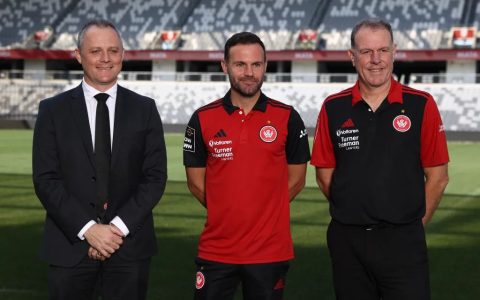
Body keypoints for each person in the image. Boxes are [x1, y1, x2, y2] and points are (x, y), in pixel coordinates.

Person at [311, 18, 449, 300]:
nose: (376, 60)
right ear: (352, 57)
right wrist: (356, 209)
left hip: (403, 241)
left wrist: (410, 226)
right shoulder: (333, 107)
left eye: (383, 50)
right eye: (366, 52)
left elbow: (438, 176)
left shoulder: (421, 104)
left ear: (394, 52)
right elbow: (324, 175)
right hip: (347, 241)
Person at [32, 19, 167, 300]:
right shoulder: (52, 111)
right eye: (95, 51)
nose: (106, 59)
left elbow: (154, 178)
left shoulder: (145, 109)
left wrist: (114, 230)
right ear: (79, 55)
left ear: (122, 54)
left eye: (113, 50)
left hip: (128, 247)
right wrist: (89, 230)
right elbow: (46, 180)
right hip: (70, 246)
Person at [183, 32, 310, 300]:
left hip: (269, 251)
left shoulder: (288, 117)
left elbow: (297, 179)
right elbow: (195, 183)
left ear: (265, 66)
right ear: (225, 66)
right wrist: (227, 209)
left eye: (256, 64)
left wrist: (263, 213)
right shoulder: (202, 118)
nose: (249, 73)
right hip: (216, 250)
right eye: (240, 65)